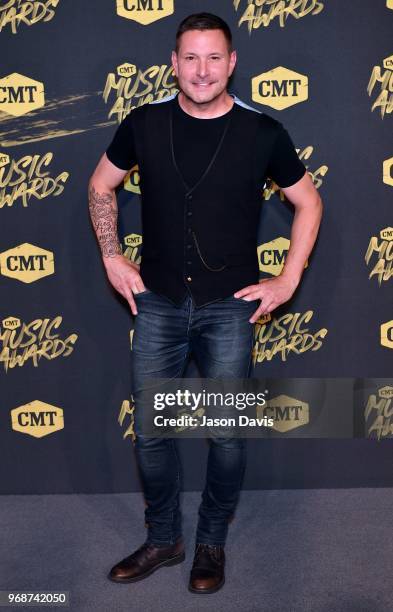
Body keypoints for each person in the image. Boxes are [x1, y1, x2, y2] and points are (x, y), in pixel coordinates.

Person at [88, 12, 322, 595]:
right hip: (159, 303)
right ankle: (164, 537)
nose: (201, 70)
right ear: (173, 63)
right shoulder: (142, 123)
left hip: (230, 308)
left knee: (224, 432)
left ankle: (210, 541)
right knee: (150, 431)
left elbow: (309, 204)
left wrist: (287, 280)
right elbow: (99, 186)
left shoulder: (263, 132)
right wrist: (112, 255)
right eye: (190, 57)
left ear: (232, 62)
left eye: (213, 57)